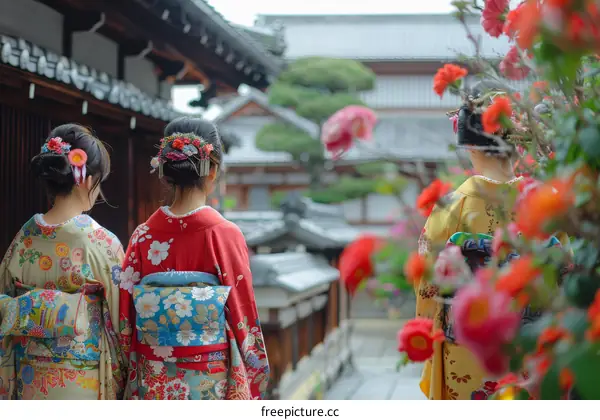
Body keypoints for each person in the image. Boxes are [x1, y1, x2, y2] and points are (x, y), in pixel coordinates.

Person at [414, 91, 571, 400]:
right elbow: (566, 272)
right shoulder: (546, 201)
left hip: (466, 342)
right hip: (531, 340)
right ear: (518, 145)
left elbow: (427, 284)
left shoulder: (451, 206)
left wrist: (429, 322)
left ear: (470, 145)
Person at [118, 116, 269, 400]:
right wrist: (254, 372)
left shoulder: (143, 237)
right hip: (209, 379)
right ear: (212, 171)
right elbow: (242, 314)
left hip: (154, 375)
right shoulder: (225, 235)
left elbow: (125, 318)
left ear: (165, 172)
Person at [0, 124, 126, 400]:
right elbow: (123, 321)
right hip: (82, 377)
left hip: (29, 375)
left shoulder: (24, 237)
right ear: (87, 179)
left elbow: (4, 299)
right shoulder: (101, 242)